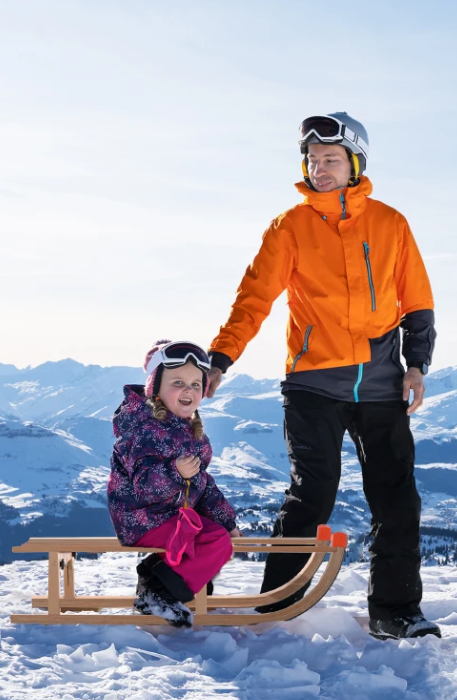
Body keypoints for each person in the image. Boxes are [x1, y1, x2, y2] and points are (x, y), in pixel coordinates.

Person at [207, 113, 440, 640]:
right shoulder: (289, 226)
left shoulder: (391, 224)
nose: (320, 169)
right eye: (313, 161)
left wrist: (417, 365)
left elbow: (418, 301)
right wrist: (220, 359)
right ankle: (276, 606)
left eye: (331, 160)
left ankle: (396, 611)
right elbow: (254, 300)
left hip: (381, 384)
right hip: (312, 382)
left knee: (396, 496)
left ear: (355, 163)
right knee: (312, 494)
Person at [107, 340, 240, 628]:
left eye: (195, 384)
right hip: (142, 519)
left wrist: (226, 520)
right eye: (177, 382)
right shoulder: (143, 430)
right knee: (213, 541)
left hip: (169, 516)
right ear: (154, 388)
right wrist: (175, 471)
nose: (188, 390)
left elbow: (203, 483)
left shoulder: (188, 431)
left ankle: (165, 581)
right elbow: (143, 485)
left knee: (217, 537)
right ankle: (158, 593)